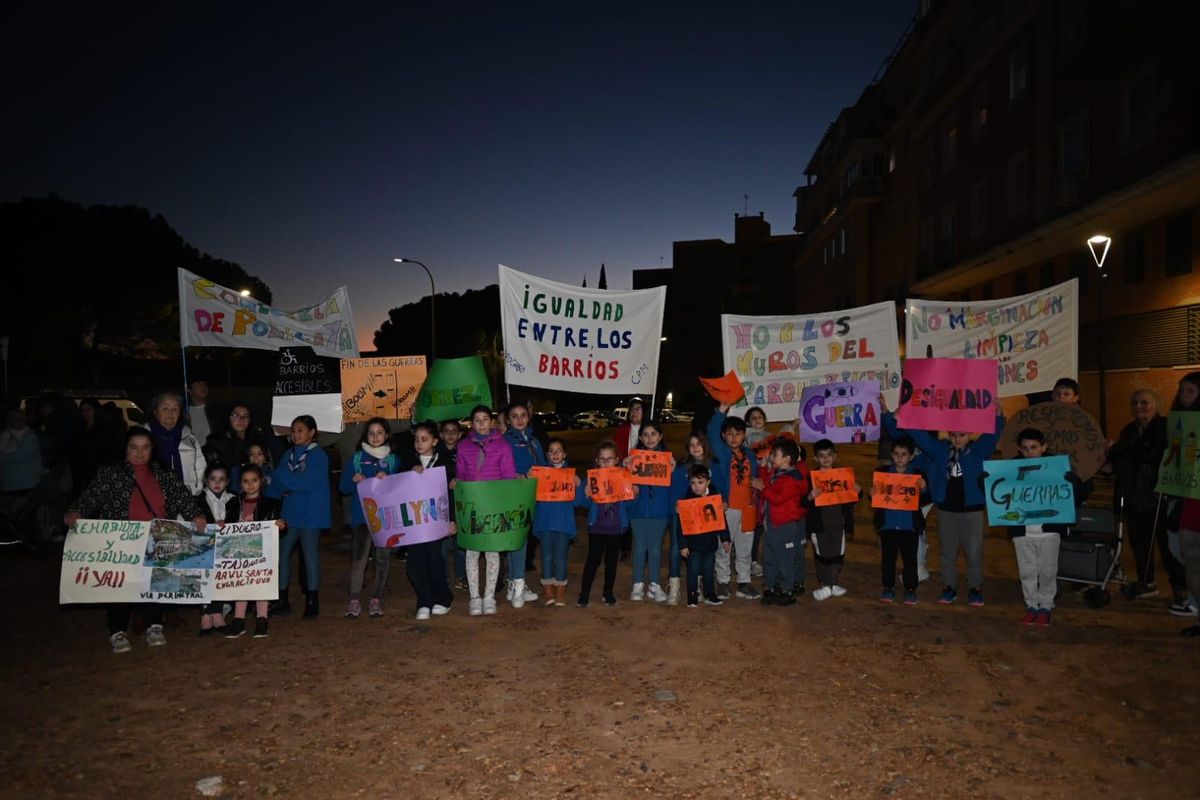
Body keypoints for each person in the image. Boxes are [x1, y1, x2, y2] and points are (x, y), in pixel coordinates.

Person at [64, 427, 206, 653]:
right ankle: (117, 631)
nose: (139, 453)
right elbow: (91, 496)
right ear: (125, 449)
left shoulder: (164, 474)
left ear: (152, 450)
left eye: (145, 447)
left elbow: (182, 497)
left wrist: (196, 515)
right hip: (121, 541)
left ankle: (155, 625)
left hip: (157, 537)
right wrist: (76, 511)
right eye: (134, 447)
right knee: (119, 585)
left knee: (155, 582)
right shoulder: (110, 474)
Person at [884, 406, 1006, 607]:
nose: (958, 439)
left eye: (962, 435)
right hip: (947, 510)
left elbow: (992, 435)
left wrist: (998, 416)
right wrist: (903, 419)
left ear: (969, 435)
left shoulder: (978, 450)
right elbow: (921, 438)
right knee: (948, 552)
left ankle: (975, 588)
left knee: (974, 552)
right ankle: (949, 587)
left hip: (972, 511)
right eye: (954, 435)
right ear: (949, 435)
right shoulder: (941, 450)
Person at [1106, 389, 1185, 603]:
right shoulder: (1129, 429)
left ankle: (1180, 589)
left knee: (1168, 546)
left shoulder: (1166, 427)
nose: (1139, 406)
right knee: (1139, 543)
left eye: (1144, 402)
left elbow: (1153, 455)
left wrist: (1118, 452)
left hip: (1160, 494)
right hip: (1134, 495)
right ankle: (1146, 583)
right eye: (1135, 403)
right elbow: (1122, 461)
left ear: (1156, 404)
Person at [1006, 428, 1086, 628]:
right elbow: (996, 490)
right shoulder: (1011, 469)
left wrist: (1072, 481)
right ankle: (1031, 605)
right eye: (1024, 448)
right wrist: (987, 480)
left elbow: (1080, 491)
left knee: (1048, 570)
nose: (1029, 452)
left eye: (1034, 447)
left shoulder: (1056, 468)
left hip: (1049, 530)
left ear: (1043, 447)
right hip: (1022, 530)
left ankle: (1046, 606)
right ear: (1019, 449)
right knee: (1027, 570)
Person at [266, 415, 330, 618]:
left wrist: (284, 478)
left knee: (310, 556)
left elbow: (306, 482)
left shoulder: (319, 455)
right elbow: (276, 485)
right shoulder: (290, 454)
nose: (295, 434)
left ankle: (312, 601)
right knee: (282, 554)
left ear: (312, 432)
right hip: (290, 512)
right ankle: (281, 598)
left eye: (300, 430)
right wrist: (284, 481)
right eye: (293, 430)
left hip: (311, 513)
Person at [457, 404, 516, 616]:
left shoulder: (503, 446)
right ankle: (475, 597)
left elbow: (508, 476)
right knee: (472, 552)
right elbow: (462, 476)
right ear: (472, 424)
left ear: (491, 422)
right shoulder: (464, 447)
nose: (481, 423)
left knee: (492, 551)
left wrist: (504, 502)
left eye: (485, 419)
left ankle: (489, 596)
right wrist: (458, 485)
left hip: (494, 507)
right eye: (477, 420)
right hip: (473, 507)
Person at [340, 417, 402, 618]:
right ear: (365, 436)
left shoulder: (394, 460)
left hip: (385, 520)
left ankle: (376, 599)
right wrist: (353, 480)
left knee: (383, 559)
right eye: (371, 433)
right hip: (361, 519)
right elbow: (343, 488)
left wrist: (389, 478)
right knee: (359, 560)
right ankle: (354, 600)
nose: (375, 437)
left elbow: (401, 489)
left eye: (380, 433)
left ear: (387, 435)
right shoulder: (356, 459)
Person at [400, 419, 455, 620]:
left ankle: (442, 599)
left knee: (434, 561)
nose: (419, 443)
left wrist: (451, 520)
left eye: (424, 439)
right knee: (415, 563)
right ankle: (423, 600)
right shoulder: (407, 462)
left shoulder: (445, 464)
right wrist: (409, 473)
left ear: (434, 441)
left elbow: (450, 496)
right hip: (415, 524)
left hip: (435, 522)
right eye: (416, 439)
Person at [708, 403, 760, 600]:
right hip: (727, 508)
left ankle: (744, 582)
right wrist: (720, 411)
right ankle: (722, 581)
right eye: (730, 433)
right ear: (724, 436)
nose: (734, 437)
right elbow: (712, 432)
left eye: (738, 433)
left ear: (744, 435)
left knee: (745, 549)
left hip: (747, 508)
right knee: (724, 547)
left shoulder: (751, 456)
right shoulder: (721, 454)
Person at [224, 464, 283, 639]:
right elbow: (228, 525)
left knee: (260, 582)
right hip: (238, 551)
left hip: (262, 551)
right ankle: (238, 619)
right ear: (240, 483)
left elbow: (276, 525)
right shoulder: (233, 504)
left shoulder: (271, 504)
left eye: (254, 481)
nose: (250, 485)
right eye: (246, 481)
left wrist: (280, 525)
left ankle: (262, 618)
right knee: (241, 583)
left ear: (261, 481)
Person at [575, 440, 635, 607]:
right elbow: (583, 505)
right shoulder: (592, 479)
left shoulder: (623, 477)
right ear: (597, 461)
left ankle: (608, 592)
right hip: (597, 527)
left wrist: (634, 493)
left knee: (611, 562)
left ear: (616, 459)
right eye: (603, 459)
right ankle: (584, 593)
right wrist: (585, 493)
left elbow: (629, 505)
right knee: (592, 561)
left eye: (610, 459)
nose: (606, 462)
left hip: (616, 527)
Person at [870, 436, 927, 605]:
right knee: (888, 559)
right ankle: (888, 586)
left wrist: (923, 487)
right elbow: (873, 494)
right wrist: (871, 492)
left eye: (904, 454)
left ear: (911, 456)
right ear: (891, 455)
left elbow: (925, 496)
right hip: (888, 526)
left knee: (910, 560)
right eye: (896, 454)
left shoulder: (917, 476)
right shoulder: (882, 473)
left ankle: (910, 589)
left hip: (909, 527)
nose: (900, 457)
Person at [754, 438, 808, 606]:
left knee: (785, 560)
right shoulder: (778, 473)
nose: (771, 457)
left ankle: (787, 590)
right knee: (770, 557)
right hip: (772, 524)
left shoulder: (792, 479)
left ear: (786, 459)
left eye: (774, 454)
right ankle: (770, 587)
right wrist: (763, 468)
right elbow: (768, 483)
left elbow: (777, 498)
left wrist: (763, 488)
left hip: (784, 525)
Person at [625, 420, 674, 602]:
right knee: (639, 547)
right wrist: (626, 468)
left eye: (653, 434)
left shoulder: (668, 460)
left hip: (659, 510)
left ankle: (654, 584)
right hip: (638, 509)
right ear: (640, 437)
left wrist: (673, 469)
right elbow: (624, 484)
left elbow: (673, 486)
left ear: (660, 436)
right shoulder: (633, 458)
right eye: (645, 434)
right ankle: (637, 584)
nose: (649, 438)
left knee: (655, 548)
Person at [1168, 372, 1200, 637]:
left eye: (1190, 391)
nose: (1183, 396)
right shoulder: (1178, 424)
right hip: (1188, 503)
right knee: (1189, 557)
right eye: (1182, 391)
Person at [502, 401, 543, 607]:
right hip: (514, 496)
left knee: (520, 539)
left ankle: (514, 583)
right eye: (515, 416)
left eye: (523, 415)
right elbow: (500, 468)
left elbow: (544, 468)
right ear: (508, 420)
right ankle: (518, 586)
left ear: (528, 417)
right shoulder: (504, 442)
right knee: (517, 540)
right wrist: (515, 476)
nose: (519, 419)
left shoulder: (535, 441)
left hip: (533, 497)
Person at [667, 433, 715, 605]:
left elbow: (720, 488)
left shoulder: (713, 465)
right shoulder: (682, 467)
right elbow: (675, 490)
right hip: (683, 514)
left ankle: (699, 585)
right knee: (676, 548)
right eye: (691, 444)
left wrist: (721, 502)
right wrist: (677, 506)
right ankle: (674, 585)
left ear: (705, 445)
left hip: (705, 516)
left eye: (699, 443)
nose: (695, 447)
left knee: (702, 549)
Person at [806, 439, 857, 600]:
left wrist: (858, 491)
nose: (826, 458)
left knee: (838, 554)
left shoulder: (843, 476)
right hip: (819, 524)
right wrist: (810, 496)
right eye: (821, 456)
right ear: (816, 459)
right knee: (822, 554)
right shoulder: (811, 478)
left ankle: (832, 583)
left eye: (829, 455)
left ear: (835, 456)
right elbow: (803, 500)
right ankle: (825, 583)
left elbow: (853, 498)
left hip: (838, 523)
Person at [675, 464, 731, 607]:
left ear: (708, 482)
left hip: (710, 543)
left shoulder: (714, 499)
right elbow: (681, 526)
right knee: (692, 571)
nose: (696, 486)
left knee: (708, 570)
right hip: (693, 545)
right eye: (693, 482)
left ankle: (710, 594)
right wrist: (683, 545)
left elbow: (721, 520)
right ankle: (692, 597)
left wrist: (725, 538)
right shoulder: (686, 501)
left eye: (700, 482)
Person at [532, 437, 579, 607]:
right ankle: (548, 589)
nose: (555, 454)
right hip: (545, 523)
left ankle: (560, 590)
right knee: (546, 557)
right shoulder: (541, 474)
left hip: (563, 525)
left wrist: (578, 486)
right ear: (547, 455)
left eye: (558, 450)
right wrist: (531, 478)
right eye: (551, 451)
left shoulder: (570, 475)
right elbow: (532, 495)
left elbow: (578, 501)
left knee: (560, 558)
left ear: (564, 454)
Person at [197, 463, 236, 635]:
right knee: (204, 579)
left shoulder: (233, 499)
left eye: (221, 479)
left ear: (227, 481)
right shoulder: (198, 498)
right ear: (206, 480)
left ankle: (218, 614)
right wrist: (213, 525)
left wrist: (225, 525)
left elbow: (234, 521)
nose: (217, 483)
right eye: (213, 479)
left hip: (224, 548)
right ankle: (206, 615)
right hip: (204, 547)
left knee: (219, 579)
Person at [145, 391, 206, 495]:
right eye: (165, 408)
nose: (170, 413)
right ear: (155, 411)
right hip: (151, 499)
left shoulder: (188, 437)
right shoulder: (143, 436)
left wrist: (194, 491)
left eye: (175, 409)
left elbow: (200, 467)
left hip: (184, 498)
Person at [614, 397, 646, 561]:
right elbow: (616, 452)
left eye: (639, 409)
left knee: (640, 510)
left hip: (643, 477)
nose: (635, 412)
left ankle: (642, 546)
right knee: (625, 510)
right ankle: (625, 546)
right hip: (624, 475)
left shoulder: (648, 430)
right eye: (632, 409)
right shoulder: (622, 430)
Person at [204, 403, 267, 486]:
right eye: (236, 416)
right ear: (229, 418)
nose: (241, 420)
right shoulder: (217, 442)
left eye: (246, 416)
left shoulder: (257, 440)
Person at [72, 398, 123, 493]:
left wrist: (103, 464)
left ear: (95, 410)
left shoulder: (105, 427)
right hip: (84, 471)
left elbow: (113, 448)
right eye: (82, 410)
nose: (85, 413)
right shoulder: (80, 427)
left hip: (100, 470)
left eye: (88, 409)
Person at [439, 419, 468, 590]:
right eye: (446, 431)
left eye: (454, 431)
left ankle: (461, 577)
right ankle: (442, 578)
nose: (450, 434)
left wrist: (460, 480)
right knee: (442, 546)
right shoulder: (435, 454)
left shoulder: (464, 452)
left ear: (459, 434)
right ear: (441, 435)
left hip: (460, 504)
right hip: (442, 505)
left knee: (460, 544)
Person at [187, 379, 222, 448]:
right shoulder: (183, 412)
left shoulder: (217, 409)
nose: (203, 386)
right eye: (198, 383)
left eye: (204, 383)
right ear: (188, 390)